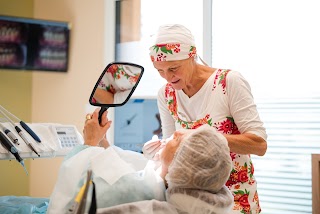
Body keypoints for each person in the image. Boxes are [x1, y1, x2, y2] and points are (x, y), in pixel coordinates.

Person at [142, 24, 268, 214]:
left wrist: (198, 137)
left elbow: (259, 145)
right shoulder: (167, 94)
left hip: (235, 197)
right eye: (160, 70)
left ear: (192, 55)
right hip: (189, 200)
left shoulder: (228, 82)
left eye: (173, 68)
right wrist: (161, 151)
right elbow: (173, 149)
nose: (167, 77)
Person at [47, 108, 233, 214]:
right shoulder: (165, 186)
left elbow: (71, 184)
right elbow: (125, 165)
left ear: (179, 165)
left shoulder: (128, 189)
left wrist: (88, 144)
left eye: (179, 141)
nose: (176, 133)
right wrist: (102, 141)